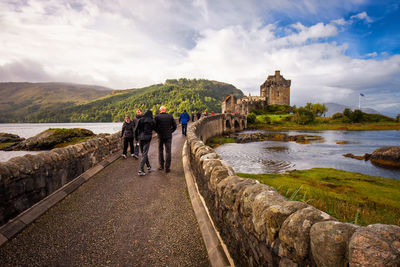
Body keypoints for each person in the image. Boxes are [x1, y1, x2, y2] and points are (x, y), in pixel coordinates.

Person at [154, 106, 177, 173]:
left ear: (160, 110)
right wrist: (170, 131)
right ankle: (167, 167)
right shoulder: (170, 116)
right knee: (168, 151)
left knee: (160, 150)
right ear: (165, 110)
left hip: (160, 136)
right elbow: (175, 126)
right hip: (168, 136)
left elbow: (154, 126)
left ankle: (161, 165)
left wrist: (158, 132)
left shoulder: (157, 117)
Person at [136, 110, 155, 176]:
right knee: (144, 153)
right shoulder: (152, 121)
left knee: (143, 153)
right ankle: (141, 170)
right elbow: (155, 128)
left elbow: (136, 130)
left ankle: (148, 166)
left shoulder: (140, 120)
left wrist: (136, 139)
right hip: (147, 138)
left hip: (140, 138)